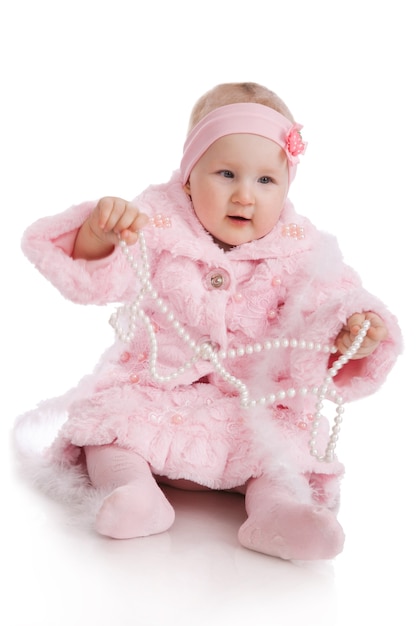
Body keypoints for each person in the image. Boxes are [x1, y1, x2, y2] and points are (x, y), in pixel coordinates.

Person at [16, 82, 402, 560]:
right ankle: (134, 495)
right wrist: (100, 233)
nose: (245, 195)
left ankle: (278, 515)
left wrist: (352, 329)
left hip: (252, 409)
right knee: (109, 426)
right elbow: (103, 280)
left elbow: (329, 302)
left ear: (287, 186)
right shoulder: (154, 226)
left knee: (282, 456)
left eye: (266, 181)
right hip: (155, 389)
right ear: (188, 178)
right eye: (226, 174)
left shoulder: (302, 251)